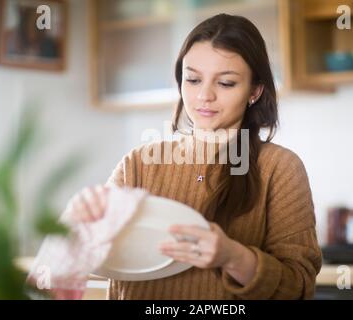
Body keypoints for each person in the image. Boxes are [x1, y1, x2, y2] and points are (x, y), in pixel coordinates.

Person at [65, 14, 322, 300]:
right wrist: (78, 222)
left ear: (254, 91)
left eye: (225, 83)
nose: (204, 96)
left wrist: (233, 256)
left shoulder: (279, 168)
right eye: (193, 79)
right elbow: (85, 258)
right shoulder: (138, 164)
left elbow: (299, 287)